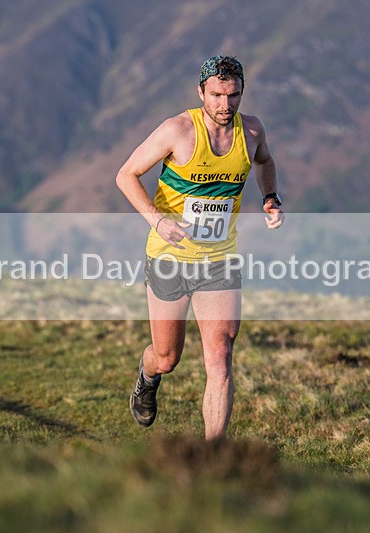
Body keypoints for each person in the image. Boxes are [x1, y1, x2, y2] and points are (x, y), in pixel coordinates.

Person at [115, 55, 284, 440]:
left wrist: (270, 197)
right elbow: (126, 175)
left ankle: (214, 457)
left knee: (221, 357)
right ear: (201, 93)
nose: (226, 105)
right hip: (170, 257)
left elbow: (265, 162)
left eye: (234, 95)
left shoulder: (252, 131)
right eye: (217, 95)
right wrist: (158, 219)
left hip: (220, 259)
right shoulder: (178, 130)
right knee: (167, 357)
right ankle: (147, 374)